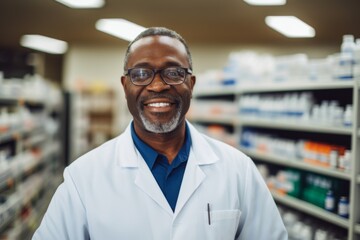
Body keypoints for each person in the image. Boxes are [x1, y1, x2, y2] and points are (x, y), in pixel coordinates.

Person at [32, 27, 287, 240]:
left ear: (191, 84)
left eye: (174, 72)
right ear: (125, 86)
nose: (157, 85)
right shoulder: (83, 177)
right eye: (141, 73)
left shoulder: (238, 170)